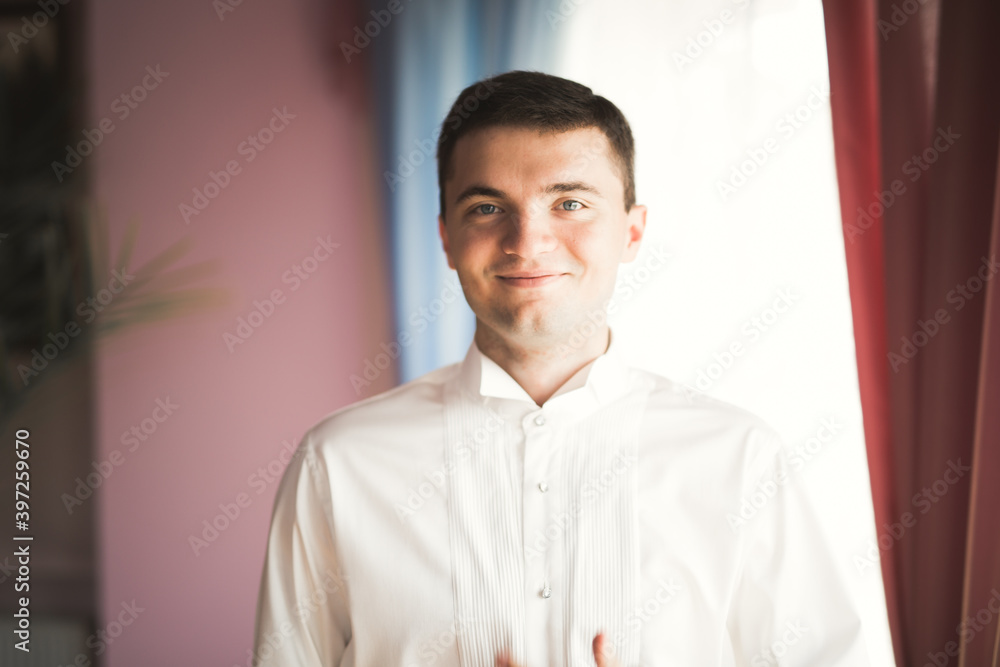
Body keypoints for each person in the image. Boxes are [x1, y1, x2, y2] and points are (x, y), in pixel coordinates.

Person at [252, 70, 871, 666]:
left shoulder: (740, 460)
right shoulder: (338, 462)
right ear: (446, 238)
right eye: (488, 209)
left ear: (631, 233)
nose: (528, 241)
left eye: (569, 203)